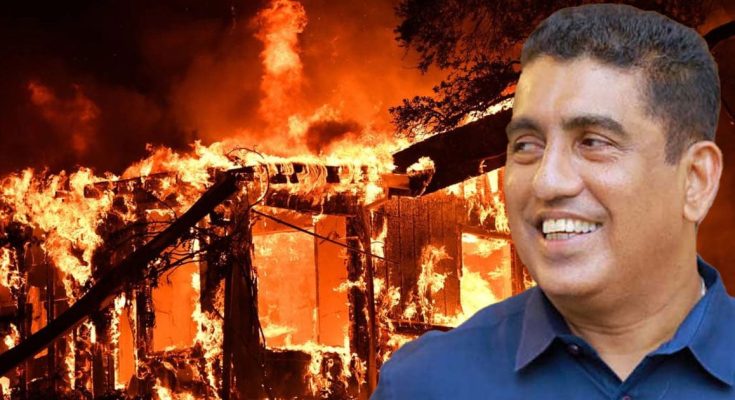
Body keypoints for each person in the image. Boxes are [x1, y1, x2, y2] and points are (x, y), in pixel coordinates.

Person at [372, 3, 731, 399]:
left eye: (593, 142)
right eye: (527, 144)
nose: (547, 181)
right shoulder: (422, 384)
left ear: (695, 180)